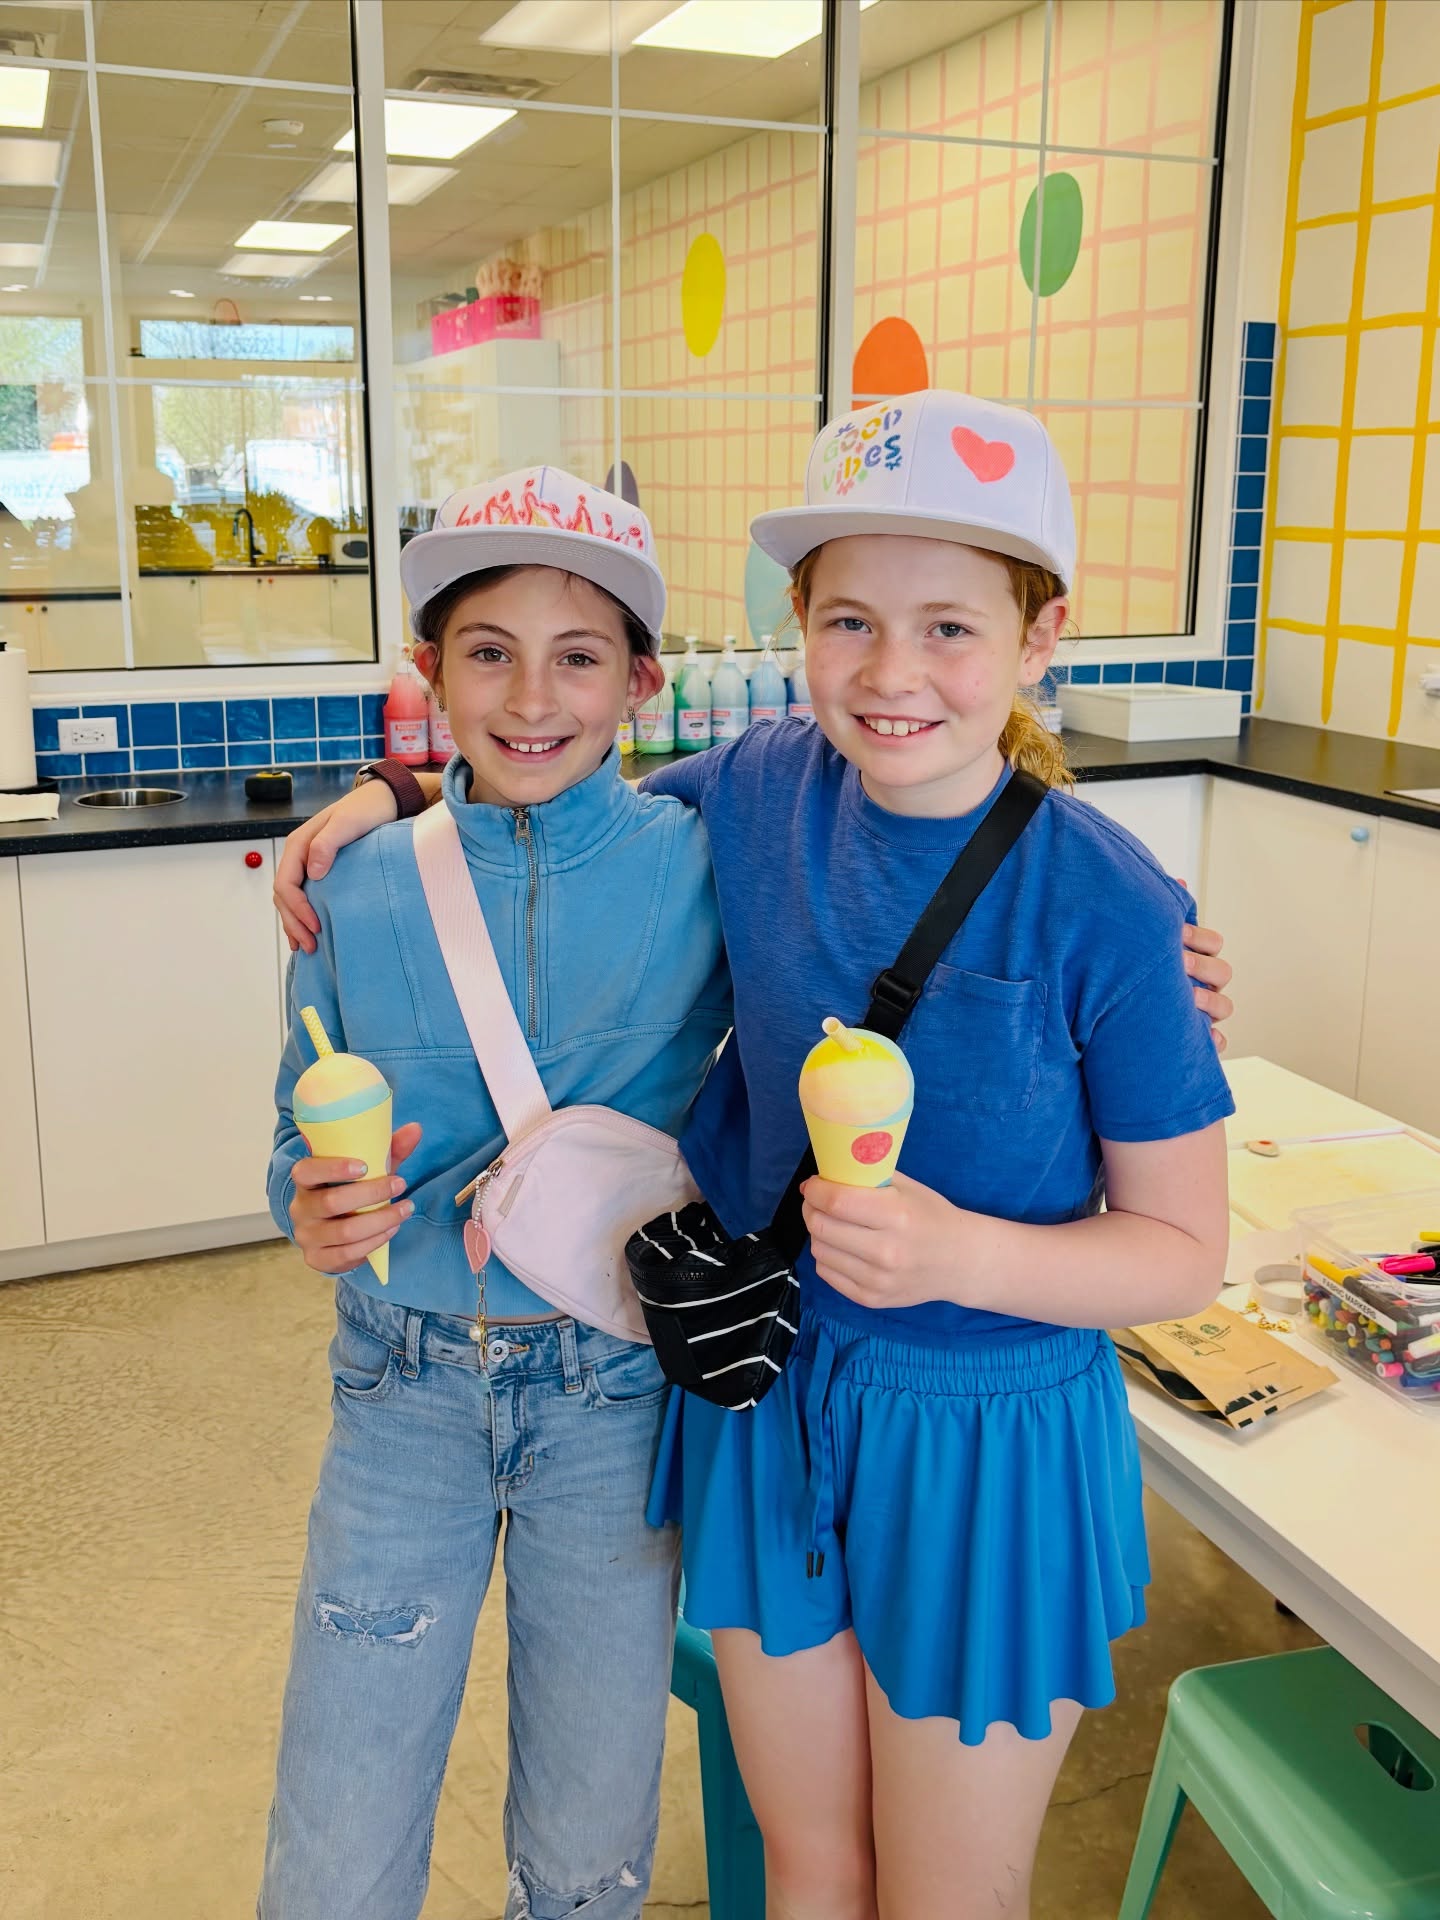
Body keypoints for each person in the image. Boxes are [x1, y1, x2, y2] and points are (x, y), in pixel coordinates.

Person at [272, 396, 1238, 1920]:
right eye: (849, 619)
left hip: (984, 1433)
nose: (893, 671)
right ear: (797, 624)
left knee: (940, 1896)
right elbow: (555, 798)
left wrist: (959, 1256)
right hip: (765, 1385)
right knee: (809, 1863)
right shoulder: (766, 786)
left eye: (949, 628)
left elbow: (1187, 1249)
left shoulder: (1111, 904)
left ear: (1040, 638)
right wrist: (392, 799)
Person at [259, 468, 731, 1920]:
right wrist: (304, 1202)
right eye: (488, 652)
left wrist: (1149, 950)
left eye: (579, 655)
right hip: (402, 1397)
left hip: (614, 1398)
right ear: (431, 674)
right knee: (337, 1844)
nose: (534, 697)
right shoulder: (359, 891)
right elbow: (298, 1116)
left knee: (590, 1850)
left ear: (641, 681)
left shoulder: (707, 866)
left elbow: (909, 846)